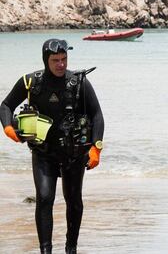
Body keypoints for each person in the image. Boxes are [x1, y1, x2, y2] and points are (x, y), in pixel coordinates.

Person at [0, 39, 105, 254]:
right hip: (43, 153)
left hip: (74, 153)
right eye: (55, 60)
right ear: (45, 60)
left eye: (64, 59)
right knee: (45, 198)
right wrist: (8, 129)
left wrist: (96, 147)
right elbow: (6, 106)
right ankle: (45, 250)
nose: (61, 64)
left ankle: (71, 248)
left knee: (73, 200)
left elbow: (97, 115)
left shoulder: (79, 82)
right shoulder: (31, 82)